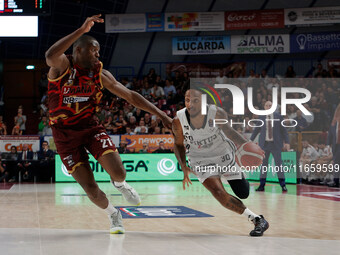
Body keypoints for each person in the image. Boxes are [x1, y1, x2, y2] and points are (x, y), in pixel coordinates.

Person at [45, 14, 172, 234]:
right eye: (94, 50)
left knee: (119, 172)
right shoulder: (62, 67)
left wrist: (162, 115)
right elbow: (50, 54)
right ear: (78, 51)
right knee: (91, 189)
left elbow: (131, 96)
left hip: (90, 127)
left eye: (98, 51)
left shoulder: (100, 74)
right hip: (64, 135)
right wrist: (82, 30)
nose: (98, 54)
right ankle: (114, 214)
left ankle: (120, 185)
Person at [172, 89, 269, 237]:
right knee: (218, 193)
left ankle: (241, 176)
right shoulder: (178, 120)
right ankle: (256, 219)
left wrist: (248, 145)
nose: (190, 104)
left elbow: (230, 132)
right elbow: (178, 144)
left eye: (195, 100)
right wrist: (184, 166)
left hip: (223, 154)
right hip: (200, 160)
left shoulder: (216, 113)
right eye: (187, 100)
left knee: (243, 193)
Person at [250, 101, 289, 192]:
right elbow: (256, 130)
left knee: (279, 165)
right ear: (264, 107)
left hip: (276, 144)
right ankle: (262, 185)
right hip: (264, 144)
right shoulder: (261, 117)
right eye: (267, 105)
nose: (268, 106)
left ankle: (283, 185)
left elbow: (284, 131)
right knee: (264, 165)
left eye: (270, 105)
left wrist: (287, 142)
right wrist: (250, 141)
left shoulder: (279, 117)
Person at [327, 103, 340, 187]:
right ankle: (336, 181)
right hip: (336, 146)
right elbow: (330, 135)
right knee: (336, 164)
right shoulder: (333, 124)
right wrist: (328, 145)